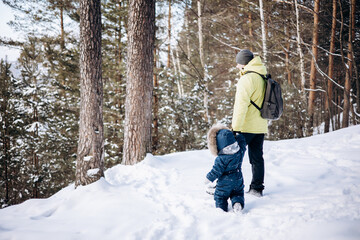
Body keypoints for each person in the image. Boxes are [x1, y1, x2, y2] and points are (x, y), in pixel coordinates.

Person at [232, 49, 268, 197]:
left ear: (244, 63)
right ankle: (257, 188)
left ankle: (231, 187)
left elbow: (241, 106)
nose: (237, 66)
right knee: (257, 158)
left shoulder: (246, 79)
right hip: (260, 125)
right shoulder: (262, 75)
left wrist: (235, 128)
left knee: (233, 158)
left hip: (246, 126)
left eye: (238, 63)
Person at [205, 124, 247, 212]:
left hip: (225, 181)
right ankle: (237, 204)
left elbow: (216, 170)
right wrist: (239, 136)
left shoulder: (221, 158)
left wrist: (209, 178)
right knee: (237, 193)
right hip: (238, 178)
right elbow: (242, 143)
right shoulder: (239, 152)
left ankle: (221, 209)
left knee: (220, 196)